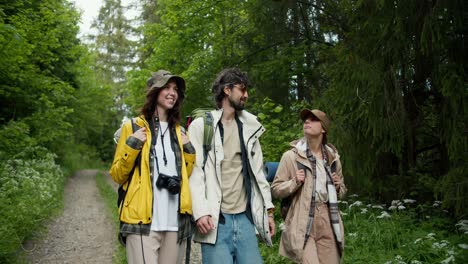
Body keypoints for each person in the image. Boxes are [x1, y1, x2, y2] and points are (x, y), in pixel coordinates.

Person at [188, 68, 276, 263]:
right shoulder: (201, 126)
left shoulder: (251, 127)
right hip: (216, 221)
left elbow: (258, 174)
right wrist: (200, 212)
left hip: (246, 219)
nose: (246, 95)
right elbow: (194, 173)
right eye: (242, 89)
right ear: (227, 90)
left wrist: (268, 211)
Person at [110, 70, 195, 264]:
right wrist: (132, 145)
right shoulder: (132, 127)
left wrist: (189, 150)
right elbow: (117, 175)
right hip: (143, 222)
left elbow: (186, 176)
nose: (172, 92)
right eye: (166, 87)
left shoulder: (180, 132)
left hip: (175, 222)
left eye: (175, 89)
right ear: (154, 91)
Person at [271, 109, 347, 264]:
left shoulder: (333, 158)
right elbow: (276, 189)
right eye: (306, 119)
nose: (307, 122)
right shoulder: (291, 156)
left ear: (323, 129)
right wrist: (294, 182)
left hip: (328, 219)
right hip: (302, 218)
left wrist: (339, 187)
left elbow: (343, 192)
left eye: (313, 119)